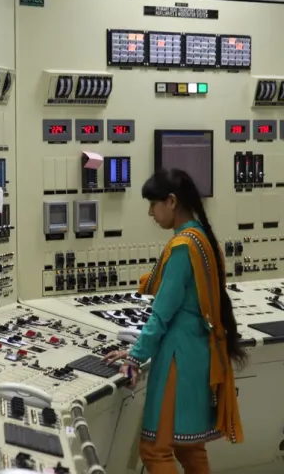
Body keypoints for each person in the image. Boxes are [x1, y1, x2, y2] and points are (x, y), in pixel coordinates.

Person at [105, 168, 246, 474]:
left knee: (155, 451)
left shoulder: (183, 247)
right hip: (201, 356)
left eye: (153, 204)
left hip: (177, 360)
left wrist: (134, 356)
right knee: (190, 447)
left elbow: (161, 314)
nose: (150, 213)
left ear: (170, 201)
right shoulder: (204, 239)